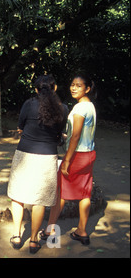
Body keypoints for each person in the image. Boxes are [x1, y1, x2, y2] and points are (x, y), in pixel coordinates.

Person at [7, 75, 68, 254]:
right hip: (47, 157)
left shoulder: (28, 104)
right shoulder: (62, 108)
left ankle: (17, 236)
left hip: (24, 154)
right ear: (54, 88)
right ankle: (34, 240)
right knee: (40, 200)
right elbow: (60, 134)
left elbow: (21, 128)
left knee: (18, 196)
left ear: (36, 90)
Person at [42, 74, 97, 245]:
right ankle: (82, 230)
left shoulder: (80, 109)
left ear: (87, 88)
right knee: (84, 193)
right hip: (89, 154)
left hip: (77, 155)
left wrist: (66, 160)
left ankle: (50, 229)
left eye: (79, 85)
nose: (74, 88)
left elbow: (76, 136)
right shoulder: (90, 106)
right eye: (72, 84)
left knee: (60, 192)